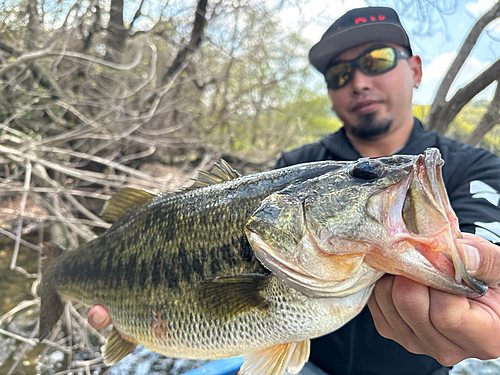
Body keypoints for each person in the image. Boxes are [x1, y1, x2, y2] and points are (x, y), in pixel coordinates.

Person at [87, 6, 500, 375]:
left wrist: (482, 283)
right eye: (339, 74)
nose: (358, 81)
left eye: (376, 61)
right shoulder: (291, 170)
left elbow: (482, 257)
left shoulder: (475, 169)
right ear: (330, 92)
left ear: (415, 70)